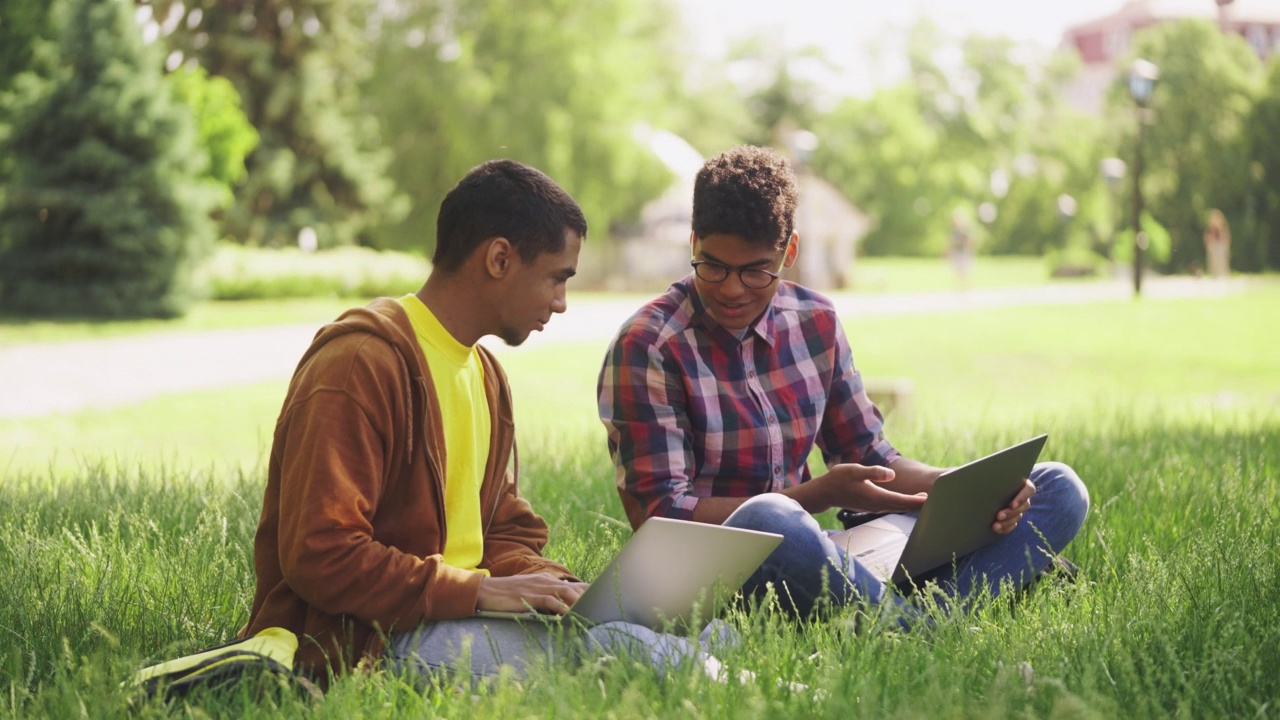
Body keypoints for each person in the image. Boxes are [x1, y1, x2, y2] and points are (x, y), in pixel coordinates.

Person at [240, 159, 727, 685]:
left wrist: (567, 589)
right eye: (556, 278)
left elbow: (501, 529)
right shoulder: (359, 363)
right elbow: (319, 554)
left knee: (707, 632)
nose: (561, 303)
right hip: (373, 639)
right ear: (498, 259)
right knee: (615, 649)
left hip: (458, 613)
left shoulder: (485, 373)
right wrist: (479, 591)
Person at [597, 146, 1089, 619]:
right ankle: (922, 627)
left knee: (1058, 487)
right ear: (692, 243)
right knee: (771, 520)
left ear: (788, 251)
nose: (730, 289)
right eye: (713, 266)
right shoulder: (649, 346)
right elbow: (663, 519)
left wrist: (967, 488)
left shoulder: (816, 322)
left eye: (755, 271)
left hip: (816, 551)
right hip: (713, 573)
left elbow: (870, 456)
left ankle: (905, 611)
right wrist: (816, 497)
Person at [1204, 209, 1231, 278]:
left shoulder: (1223, 230)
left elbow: (1226, 239)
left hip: (1221, 248)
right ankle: (1214, 273)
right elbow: (1207, 240)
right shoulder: (1210, 230)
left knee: (1222, 262)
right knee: (1213, 262)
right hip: (1213, 248)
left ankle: (1222, 274)